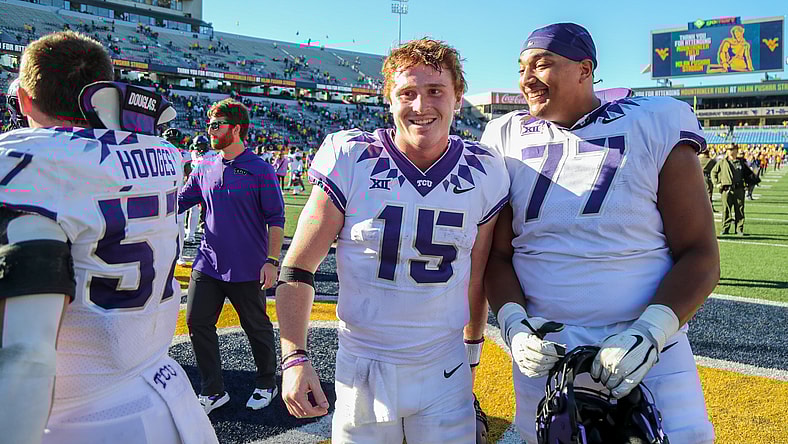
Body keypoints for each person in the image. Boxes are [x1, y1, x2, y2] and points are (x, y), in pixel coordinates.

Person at [481, 23, 719, 444]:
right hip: (545, 355)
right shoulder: (505, 135)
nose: (527, 79)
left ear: (584, 69)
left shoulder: (656, 120)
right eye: (522, 68)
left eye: (543, 64)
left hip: (652, 352)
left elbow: (699, 253)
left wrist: (651, 333)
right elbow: (497, 257)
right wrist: (514, 325)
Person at [276, 38, 509, 443]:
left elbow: (477, 274)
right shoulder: (352, 157)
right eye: (407, 93)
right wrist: (294, 356)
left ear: (458, 96)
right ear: (389, 100)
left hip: (444, 367)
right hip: (363, 368)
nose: (421, 106)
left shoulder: (486, 169)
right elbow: (297, 267)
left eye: (435, 91)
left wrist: (471, 355)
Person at [0, 31, 217, 444]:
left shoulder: (33, 165)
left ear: (25, 99)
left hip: (76, 418)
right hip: (167, 395)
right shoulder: (163, 154)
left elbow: (26, 356)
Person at [178, 98, 285, 414]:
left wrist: (272, 261)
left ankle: (267, 381)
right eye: (209, 124)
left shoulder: (261, 170)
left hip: (247, 267)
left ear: (236, 129)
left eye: (216, 124)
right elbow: (178, 202)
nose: (210, 130)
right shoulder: (204, 165)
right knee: (196, 321)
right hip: (207, 263)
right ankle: (213, 390)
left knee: (256, 327)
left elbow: (276, 219)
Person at [711, 144, 757, 236]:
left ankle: (739, 229)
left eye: (732, 149)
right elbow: (713, 172)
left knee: (739, 209)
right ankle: (725, 228)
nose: (730, 151)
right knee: (726, 210)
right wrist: (717, 184)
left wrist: (749, 184)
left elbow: (748, 174)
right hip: (726, 189)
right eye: (728, 149)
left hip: (739, 189)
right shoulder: (723, 162)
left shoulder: (741, 162)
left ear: (736, 150)